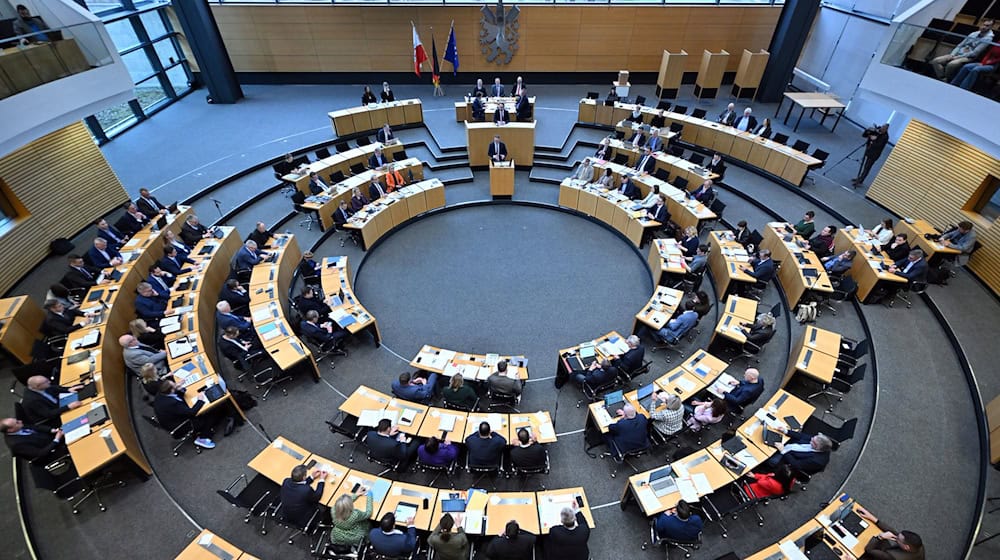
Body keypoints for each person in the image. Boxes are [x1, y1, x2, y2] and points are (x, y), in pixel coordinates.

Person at [153, 379, 222, 449]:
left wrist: (180, 388)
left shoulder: (161, 393)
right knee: (211, 414)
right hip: (182, 425)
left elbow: (177, 396)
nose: (176, 384)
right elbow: (192, 412)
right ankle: (203, 437)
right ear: (171, 390)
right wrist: (200, 400)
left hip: (172, 418)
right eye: (174, 385)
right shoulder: (171, 403)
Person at [855, 506, 925, 560]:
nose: (896, 536)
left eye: (898, 538)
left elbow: (868, 550)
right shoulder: (917, 545)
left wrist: (879, 537)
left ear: (906, 547)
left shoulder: (893, 556)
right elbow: (894, 533)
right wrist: (873, 519)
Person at [764, 427, 833, 474]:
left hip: (786, 460)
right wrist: (786, 431)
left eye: (813, 441)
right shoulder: (816, 440)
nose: (810, 439)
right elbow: (801, 436)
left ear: (817, 447)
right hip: (788, 446)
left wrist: (783, 451)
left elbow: (796, 464)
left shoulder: (816, 460)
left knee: (768, 457)